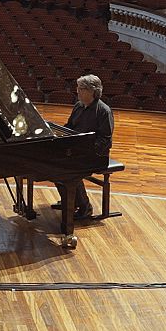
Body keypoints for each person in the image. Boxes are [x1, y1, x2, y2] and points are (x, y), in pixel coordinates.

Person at [53, 74, 114, 221]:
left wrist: (86, 152)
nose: (77, 91)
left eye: (81, 89)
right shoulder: (78, 106)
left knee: (71, 169)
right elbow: (69, 127)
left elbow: (105, 139)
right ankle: (70, 201)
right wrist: (57, 135)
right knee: (52, 164)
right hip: (77, 151)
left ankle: (85, 207)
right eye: (78, 88)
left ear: (92, 91)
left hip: (96, 155)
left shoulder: (104, 111)